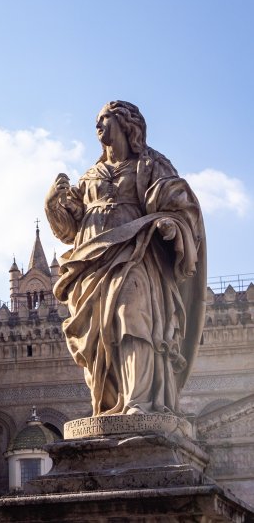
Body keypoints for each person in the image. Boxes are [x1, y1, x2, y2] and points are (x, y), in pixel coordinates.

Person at [45, 101, 205, 416]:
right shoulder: (90, 176)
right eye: (95, 122)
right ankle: (108, 401)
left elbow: (179, 202)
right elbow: (68, 230)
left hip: (137, 253)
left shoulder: (150, 165)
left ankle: (138, 401)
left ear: (125, 123)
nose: (98, 126)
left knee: (131, 314)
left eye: (104, 119)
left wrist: (170, 223)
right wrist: (53, 204)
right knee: (99, 336)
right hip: (92, 263)